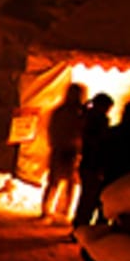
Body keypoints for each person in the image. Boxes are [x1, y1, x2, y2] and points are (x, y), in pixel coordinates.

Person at [40, 83, 85, 221]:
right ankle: (54, 210)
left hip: (65, 149)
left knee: (63, 182)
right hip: (66, 149)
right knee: (59, 181)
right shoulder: (76, 113)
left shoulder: (63, 111)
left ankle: (58, 210)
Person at [70, 92, 116, 229]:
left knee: (86, 197)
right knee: (90, 198)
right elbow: (98, 142)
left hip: (88, 162)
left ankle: (79, 226)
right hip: (93, 163)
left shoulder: (86, 117)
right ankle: (81, 228)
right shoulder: (98, 120)